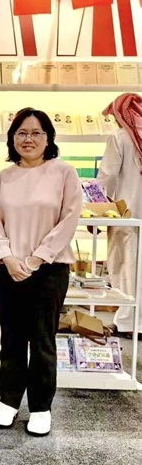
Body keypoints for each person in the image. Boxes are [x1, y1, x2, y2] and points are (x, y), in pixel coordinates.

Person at [0, 108, 81, 436]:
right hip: (9, 269)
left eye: (36, 132)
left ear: (48, 138)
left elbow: (69, 219)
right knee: (11, 337)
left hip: (49, 270)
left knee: (42, 339)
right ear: (12, 138)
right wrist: (8, 257)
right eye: (21, 133)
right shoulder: (3, 177)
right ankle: (8, 401)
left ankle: (41, 407)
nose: (29, 139)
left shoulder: (64, 173)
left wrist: (37, 258)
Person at [97, 93, 142, 338]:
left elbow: (107, 176)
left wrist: (96, 209)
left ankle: (128, 322)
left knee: (126, 267)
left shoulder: (120, 137)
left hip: (127, 215)